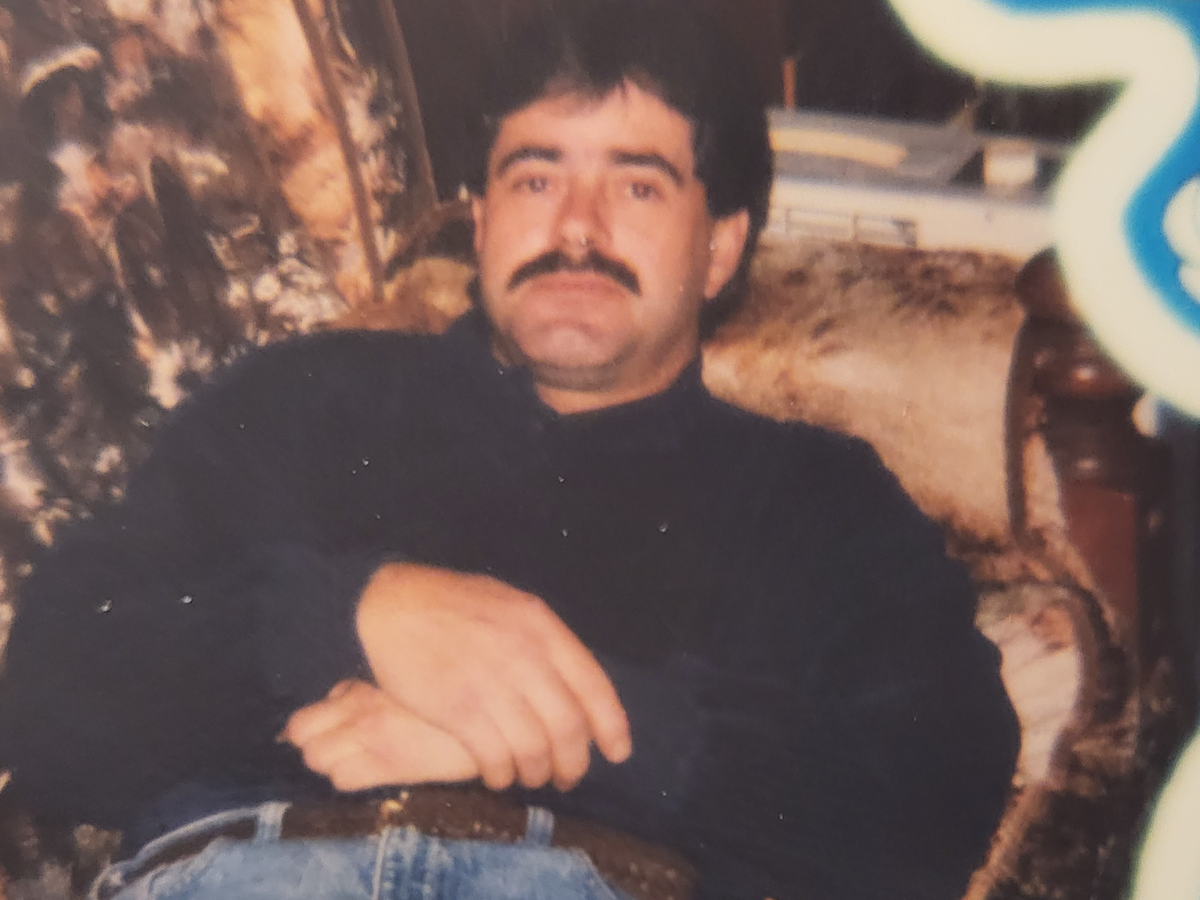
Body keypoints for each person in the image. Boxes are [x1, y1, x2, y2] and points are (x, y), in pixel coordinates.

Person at [0, 0, 1020, 898]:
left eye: (638, 187)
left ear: (718, 249)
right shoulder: (298, 401)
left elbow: (934, 803)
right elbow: (45, 691)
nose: (576, 228)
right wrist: (351, 616)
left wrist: (561, 733)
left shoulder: (816, 498)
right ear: (482, 224)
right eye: (536, 180)